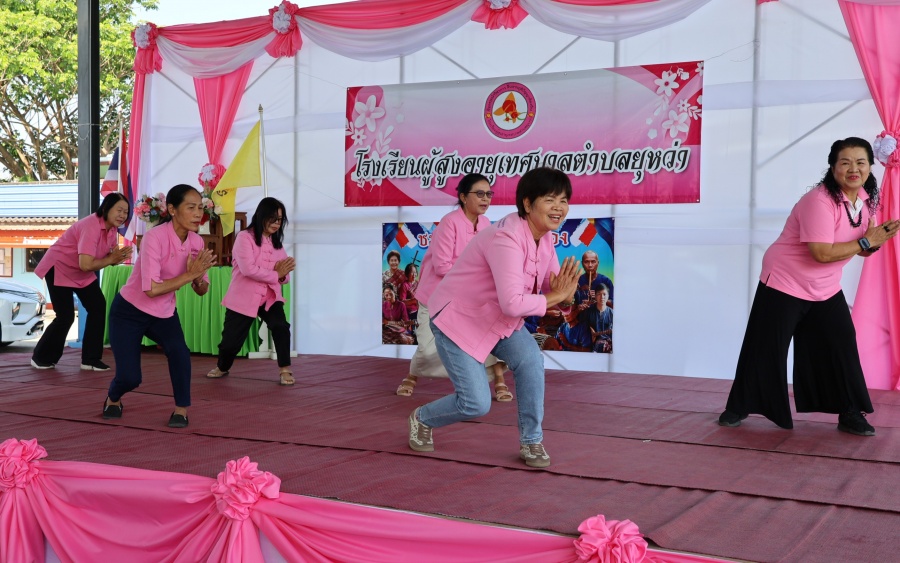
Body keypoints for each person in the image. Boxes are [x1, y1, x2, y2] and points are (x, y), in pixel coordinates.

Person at [719, 137, 900, 436]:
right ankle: (739, 406)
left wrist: (873, 242)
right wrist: (868, 241)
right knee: (767, 347)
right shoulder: (819, 201)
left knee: (841, 344)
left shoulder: (865, 201)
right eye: (845, 162)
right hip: (785, 280)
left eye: (860, 162)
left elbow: (859, 248)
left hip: (825, 286)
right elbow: (822, 253)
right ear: (832, 167)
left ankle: (849, 411)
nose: (853, 169)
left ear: (870, 167)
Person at [407, 167, 580, 468]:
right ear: (528, 203)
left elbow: (552, 287)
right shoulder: (506, 237)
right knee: (475, 403)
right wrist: (557, 296)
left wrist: (566, 293)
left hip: (497, 320)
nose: (559, 207)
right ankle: (422, 418)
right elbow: (513, 303)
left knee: (531, 361)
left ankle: (532, 440)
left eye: (564, 200)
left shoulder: (545, 239)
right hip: (458, 320)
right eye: (550, 199)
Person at [102, 184, 217, 428]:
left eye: (200, 208)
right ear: (172, 210)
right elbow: (152, 289)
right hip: (129, 311)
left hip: (164, 313)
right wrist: (189, 275)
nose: (198, 214)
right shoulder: (154, 238)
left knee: (180, 354)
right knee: (130, 378)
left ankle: (181, 410)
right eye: (191, 207)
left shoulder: (197, 242)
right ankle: (113, 397)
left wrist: (198, 279)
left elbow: (202, 290)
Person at [395, 173, 511, 402]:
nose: (485, 199)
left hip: (470, 298)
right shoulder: (450, 222)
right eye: (479, 194)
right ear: (463, 197)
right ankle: (412, 376)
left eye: (489, 194)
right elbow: (441, 266)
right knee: (428, 348)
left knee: (486, 335)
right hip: (437, 296)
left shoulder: (486, 224)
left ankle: (499, 379)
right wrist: (476, 280)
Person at [31, 193, 132, 371]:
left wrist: (116, 257)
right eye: (119, 210)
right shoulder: (91, 226)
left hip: (80, 271)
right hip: (59, 267)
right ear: (106, 208)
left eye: (125, 212)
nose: (122, 215)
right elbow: (86, 264)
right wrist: (111, 259)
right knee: (65, 316)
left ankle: (90, 360)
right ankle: (41, 358)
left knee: (98, 306)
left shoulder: (111, 229)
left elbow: (105, 256)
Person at [206, 197, 295, 385]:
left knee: (280, 326)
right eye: (273, 219)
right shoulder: (244, 237)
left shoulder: (276, 243)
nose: (276, 224)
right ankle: (222, 367)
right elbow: (248, 270)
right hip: (244, 296)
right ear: (261, 216)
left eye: (279, 220)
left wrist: (281, 276)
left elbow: (285, 276)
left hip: (269, 296)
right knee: (231, 342)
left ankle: (285, 369)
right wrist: (277, 273)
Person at [558, 283, 613, 353]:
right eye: (599, 294)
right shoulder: (563, 327)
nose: (602, 297)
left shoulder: (612, 313)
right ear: (595, 296)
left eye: (604, 294)